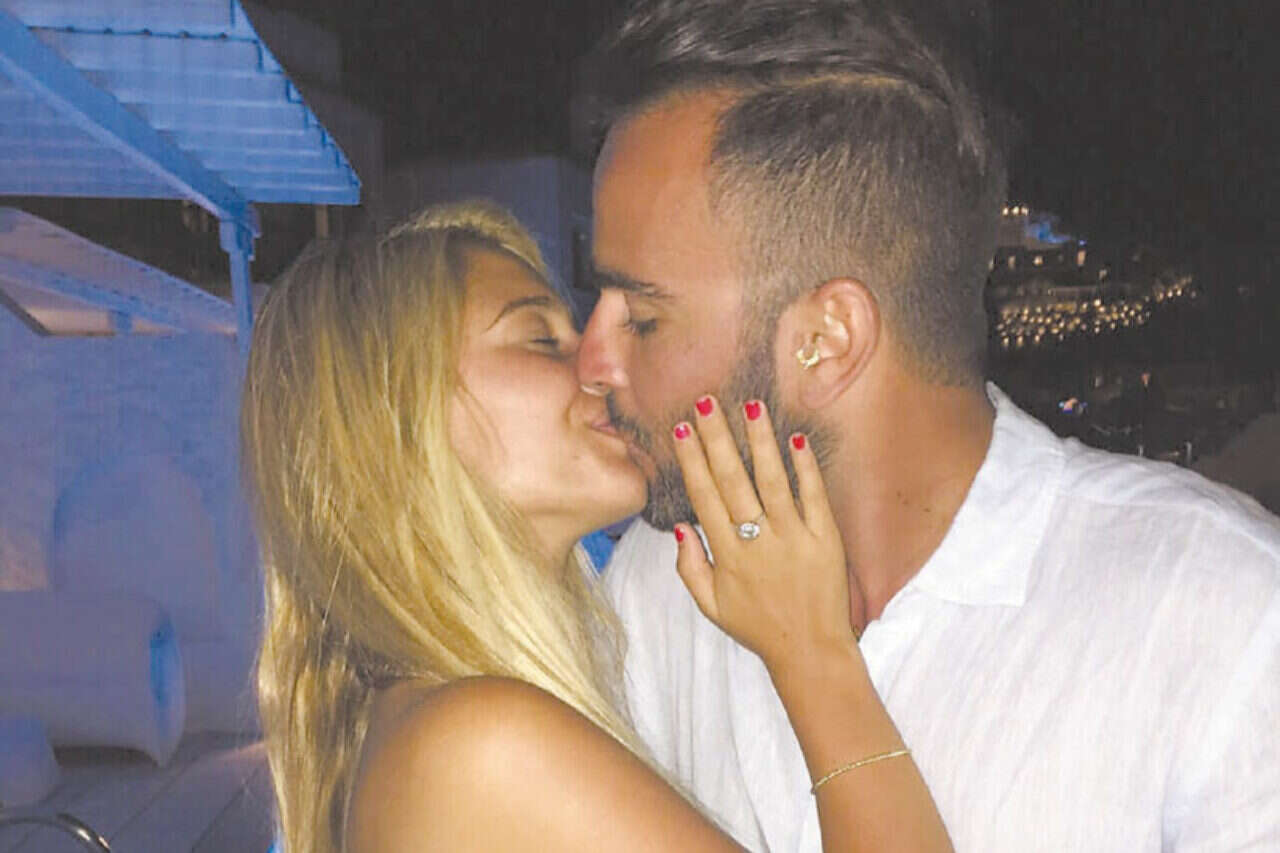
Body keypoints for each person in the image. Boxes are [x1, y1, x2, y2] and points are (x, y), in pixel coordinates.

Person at [574, 1, 1280, 850]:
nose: (591, 362)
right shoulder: (662, 584)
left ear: (827, 340)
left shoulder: (1220, 616)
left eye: (643, 317)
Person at [240, 200, 953, 853]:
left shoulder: (426, 722)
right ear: (395, 416)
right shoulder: (479, 742)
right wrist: (815, 657)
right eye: (539, 338)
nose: (599, 366)